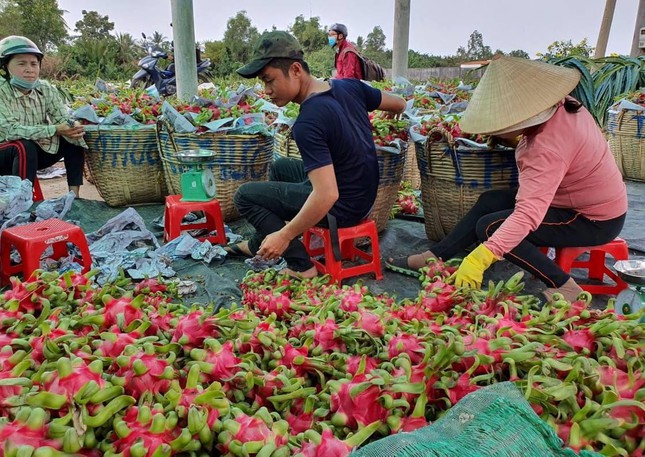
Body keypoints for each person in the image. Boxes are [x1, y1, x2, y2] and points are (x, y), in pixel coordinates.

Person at [387, 56, 627, 303]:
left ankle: (566, 287)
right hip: (573, 199)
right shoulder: (563, 105)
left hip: (592, 219)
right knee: (491, 201)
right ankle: (435, 255)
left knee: (491, 227)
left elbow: (528, 214)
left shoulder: (546, 148)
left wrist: (480, 258)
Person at [229, 30, 406, 278]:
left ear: (295, 70)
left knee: (245, 196)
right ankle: (260, 241)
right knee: (281, 168)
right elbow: (399, 103)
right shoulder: (350, 86)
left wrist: (286, 234)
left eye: (269, 80)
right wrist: (391, 113)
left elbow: (327, 194)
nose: (266, 90)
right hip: (363, 196)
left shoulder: (308, 121)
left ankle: (302, 265)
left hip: (341, 208)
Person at [0, 35, 86, 197]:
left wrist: (70, 126)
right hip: (6, 152)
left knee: (72, 137)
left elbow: (61, 118)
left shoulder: (46, 89)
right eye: (21, 63)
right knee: (23, 145)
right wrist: (54, 129)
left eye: (34, 64)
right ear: (5, 68)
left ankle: (74, 196)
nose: (29, 69)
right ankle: (22, 202)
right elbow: (10, 131)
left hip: (34, 151)